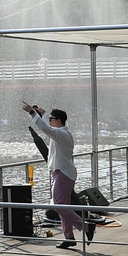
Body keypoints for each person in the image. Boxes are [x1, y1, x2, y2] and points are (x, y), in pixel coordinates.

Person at [24, 102, 88, 248]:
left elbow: (45, 128)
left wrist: (32, 113)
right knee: (63, 206)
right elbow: (49, 124)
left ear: (58, 121)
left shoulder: (61, 134)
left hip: (63, 174)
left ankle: (85, 226)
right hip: (61, 173)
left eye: (51, 118)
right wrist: (43, 112)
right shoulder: (61, 132)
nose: (49, 120)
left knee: (59, 205)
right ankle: (69, 237)